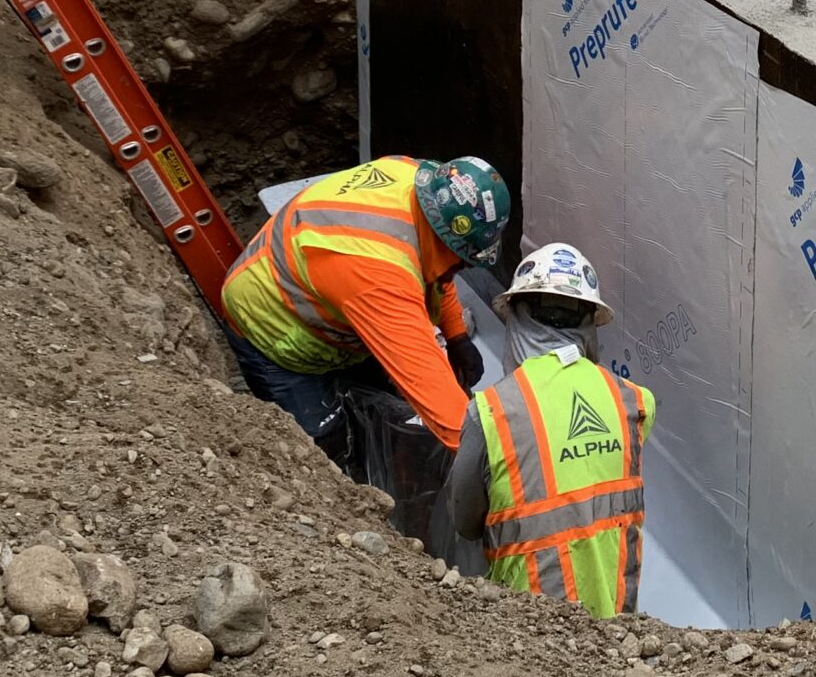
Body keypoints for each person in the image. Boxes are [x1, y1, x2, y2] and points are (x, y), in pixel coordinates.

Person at [219, 154, 505, 467]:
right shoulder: (378, 275)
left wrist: (457, 335)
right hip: (273, 327)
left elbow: (436, 272)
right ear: (445, 239)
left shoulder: (421, 181)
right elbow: (431, 388)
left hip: (330, 298)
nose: (461, 269)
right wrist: (495, 470)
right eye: (463, 259)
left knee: (380, 412)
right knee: (324, 450)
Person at [446, 242, 655, 618]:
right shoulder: (635, 403)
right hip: (621, 628)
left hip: (535, 639)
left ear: (517, 316)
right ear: (591, 321)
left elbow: (465, 524)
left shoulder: (490, 412)